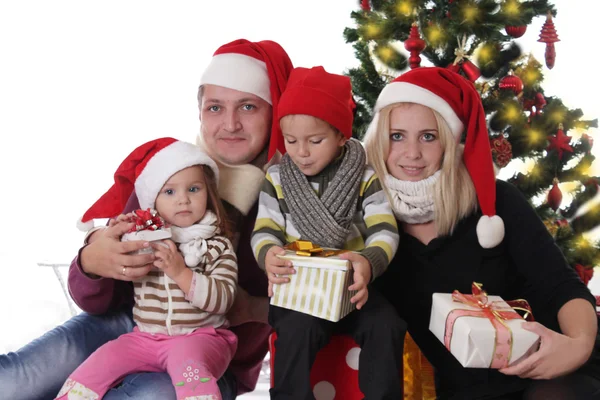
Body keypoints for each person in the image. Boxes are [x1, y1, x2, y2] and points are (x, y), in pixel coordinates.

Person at [0, 39, 293, 400]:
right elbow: (95, 301)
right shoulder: (169, 174)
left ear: (273, 111)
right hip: (129, 328)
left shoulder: (291, 196)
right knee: (13, 381)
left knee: (145, 396)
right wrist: (92, 263)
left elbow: (321, 305)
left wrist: (252, 307)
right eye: (215, 107)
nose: (230, 124)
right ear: (200, 112)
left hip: (208, 353)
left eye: (248, 106)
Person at [363, 66, 600, 399]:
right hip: (459, 389)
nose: (412, 153)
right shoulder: (370, 219)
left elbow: (561, 285)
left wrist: (578, 346)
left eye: (428, 136)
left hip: (544, 373)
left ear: (450, 141)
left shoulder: (495, 200)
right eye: (397, 136)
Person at [251, 66, 405, 399]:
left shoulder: (364, 176)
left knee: (387, 325)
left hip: (352, 287)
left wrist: (367, 262)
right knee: (296, 330)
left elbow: (385, 230)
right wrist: (269, 254)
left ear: (340, 136)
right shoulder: (277, 177)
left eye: (315, 140)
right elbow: (264, 229)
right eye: (291, 141)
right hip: (299, 288)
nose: (301, 151)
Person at [56, 137, 238, 400]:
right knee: (101, 361)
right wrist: (112, 231)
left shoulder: (216, 245)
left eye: (194, 189)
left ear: (209, 194)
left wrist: (181, 272)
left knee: (189, 369)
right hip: (146, 339)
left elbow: (223, 299)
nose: (183, 200)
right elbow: (115, 249)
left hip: (202, 338)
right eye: (170, 192)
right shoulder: (147, 240)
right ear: (153, 201)